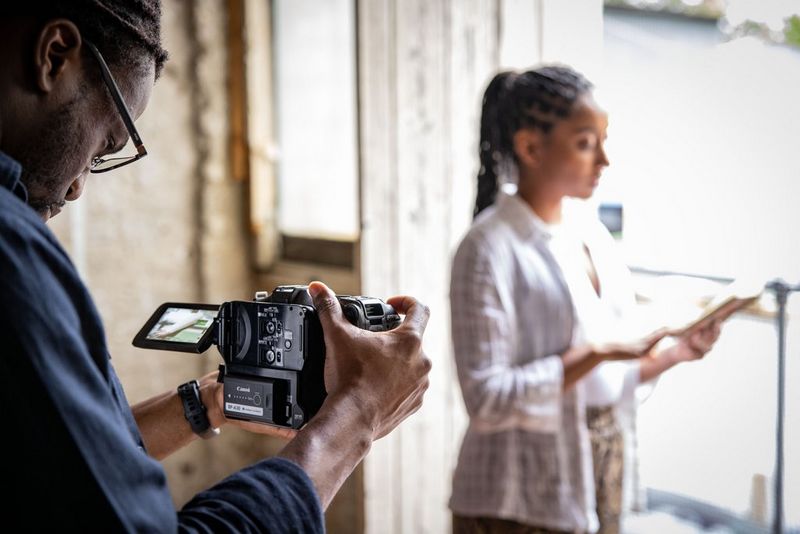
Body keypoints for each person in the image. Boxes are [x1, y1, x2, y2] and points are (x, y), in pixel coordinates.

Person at [0, 1, 431, 531]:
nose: (77, 188)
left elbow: (72, 470)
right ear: (54, 55)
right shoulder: (12, 252)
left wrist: (215, 400)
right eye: (104, 147)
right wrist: (357, 413)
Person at [449, 66, 736, 534]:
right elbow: (486, 399)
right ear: (531, 148)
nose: (604, 159)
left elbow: (603, 381)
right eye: (586, 143)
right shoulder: (486, 248)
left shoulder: (591, 234)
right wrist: (597, 352)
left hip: (601, 473)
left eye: (604, 140)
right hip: (515, 499)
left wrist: (675, 353)